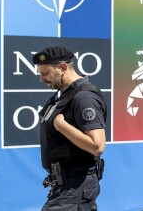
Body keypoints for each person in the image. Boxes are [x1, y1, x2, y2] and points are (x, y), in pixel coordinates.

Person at [33, 46, 107, 211]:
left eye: (45, 73)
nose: (42, 79)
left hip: (75, 186)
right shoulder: (64, 95)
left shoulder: (84, 97)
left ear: (62, 68)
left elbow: (97, 146)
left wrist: (62, 126)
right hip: (66, 186)